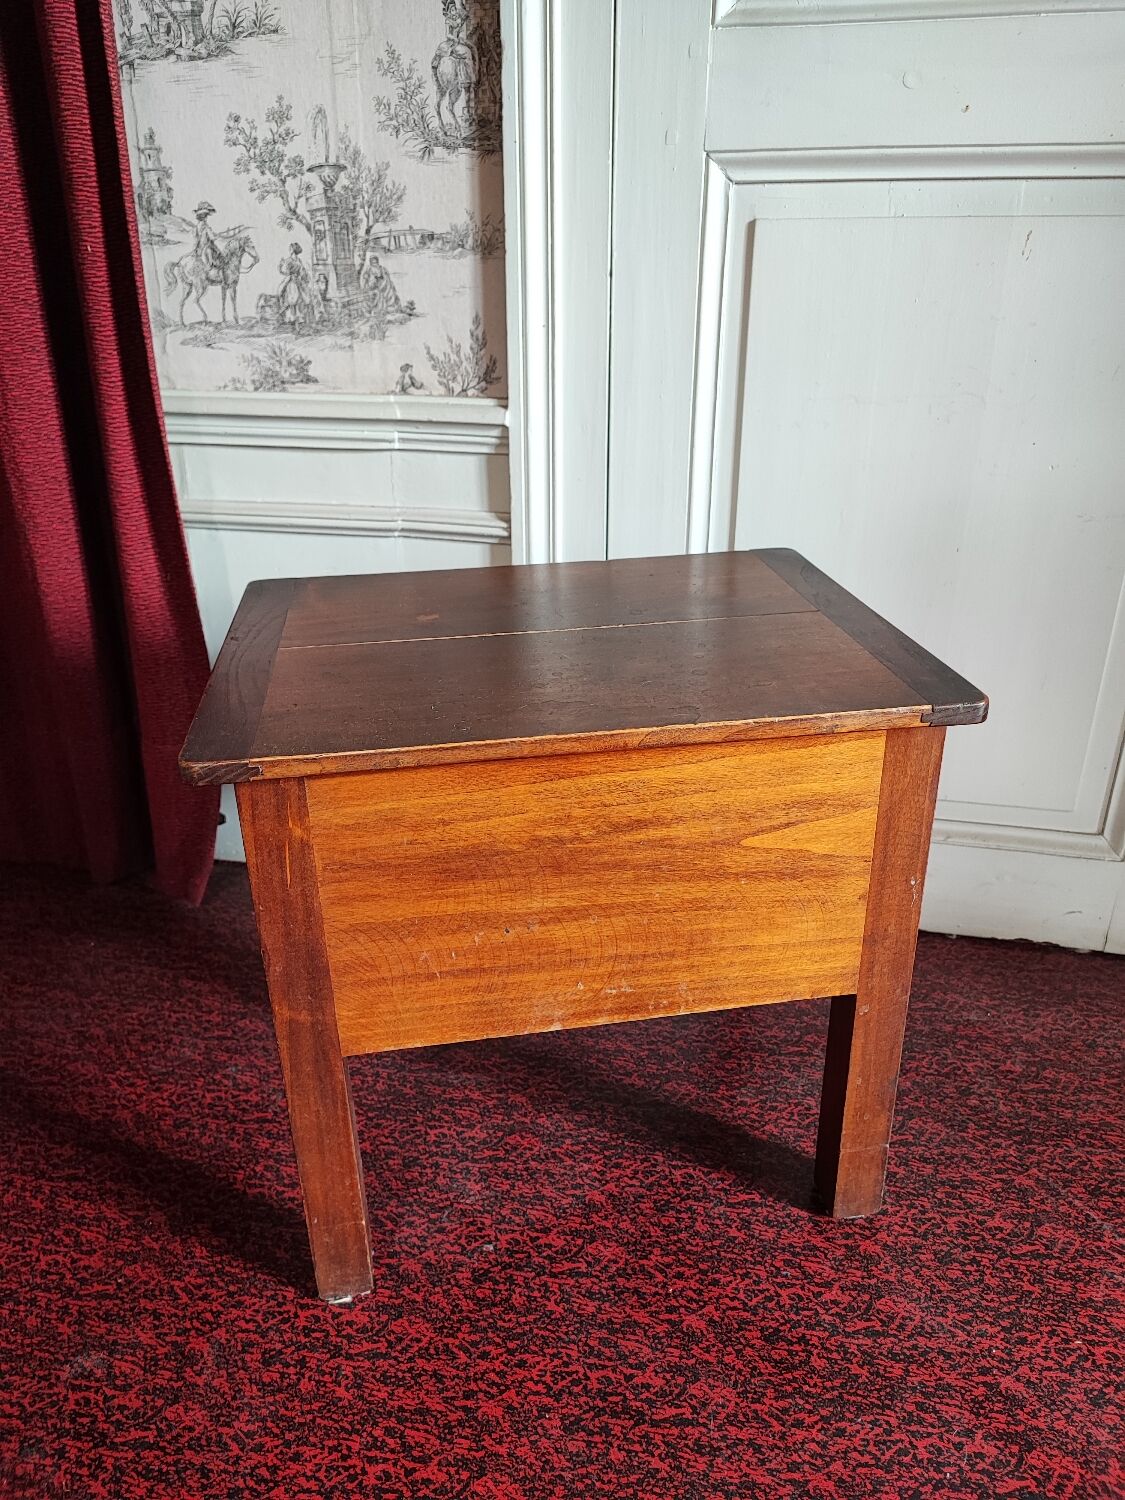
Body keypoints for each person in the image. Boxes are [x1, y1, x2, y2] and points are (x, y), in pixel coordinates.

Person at [277, 242, 316, 328]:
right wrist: (280, 266)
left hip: (298, 280)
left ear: (293, 250)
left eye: (290, 248)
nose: (289, 250)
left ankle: (299, 319)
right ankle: (289, 314)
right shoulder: (289, 260)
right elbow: (286, 272)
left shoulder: (296, 260)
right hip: (291, 280)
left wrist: (305, 277)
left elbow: (302, 271)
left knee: (302, 297)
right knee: (285, 293)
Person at [192, 200, 220, 277]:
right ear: (203, 217)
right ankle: (211, 266)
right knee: (211, 251)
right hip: (205, 245)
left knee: (214, 250)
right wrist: (216, 236)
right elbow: (211, 236)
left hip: (201, 245)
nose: (206, 218)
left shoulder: (198, 225)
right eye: (205, 216)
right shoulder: (204, 225)